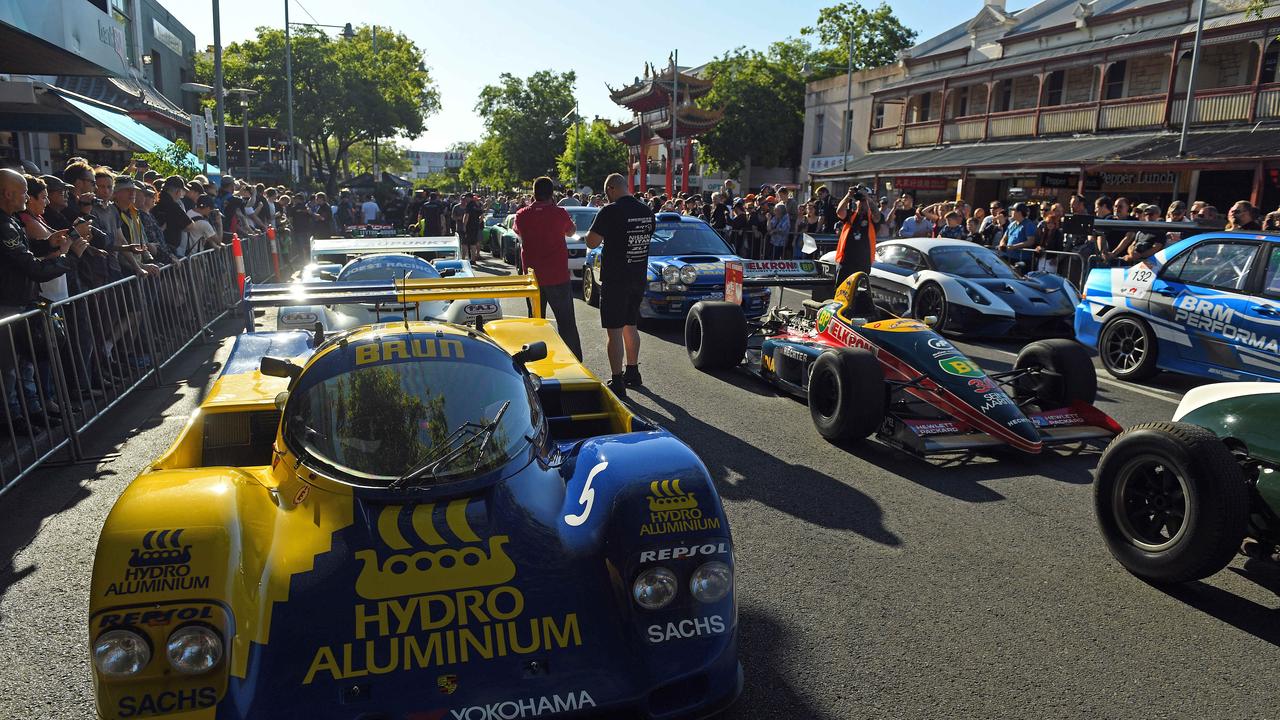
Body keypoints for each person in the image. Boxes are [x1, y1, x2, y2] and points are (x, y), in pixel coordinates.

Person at [0, 169, 76, 428]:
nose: (25, 197)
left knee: (26, 362)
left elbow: (27, 253)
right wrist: (65, 257)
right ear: (8, 193)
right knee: (9, 366)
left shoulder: (11, 221)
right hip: (8, 303)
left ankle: (30, 409)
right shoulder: (3, 225)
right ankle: (13, 417)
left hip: (22, 300)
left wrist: (50, 244)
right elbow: (28, 265)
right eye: (23, 192)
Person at [584, 173, 655, 398]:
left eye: (607, 194)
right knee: (630, 324)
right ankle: (633, 371)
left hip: (616, 278)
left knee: (614, 332)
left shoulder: (610, 211)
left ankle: (617, 381)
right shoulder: (646, 211)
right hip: (638, 276)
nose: (607, 198)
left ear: (612, 188)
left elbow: (591, 241)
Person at [514, 177, 582, 360]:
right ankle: (573, 360)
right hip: (557, 276)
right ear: (552, 194)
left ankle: (535, 359)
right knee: (566, 321)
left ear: (533, 193)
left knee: (535, 321)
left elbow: (517, 232)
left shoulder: (521, 214)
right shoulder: (560, 213)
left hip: (532, 278)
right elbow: (571, 231)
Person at [831, 185, 878, 287]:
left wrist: (867, 199)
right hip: (846, 260)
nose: (862, 203)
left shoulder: (872, 218)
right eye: (860, 201)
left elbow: (877, 216)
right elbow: (839, 212)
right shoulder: (851, 215)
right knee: (841, 289)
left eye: (864, 202)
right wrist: (848, 195)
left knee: (860, 291)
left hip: (863, 262)